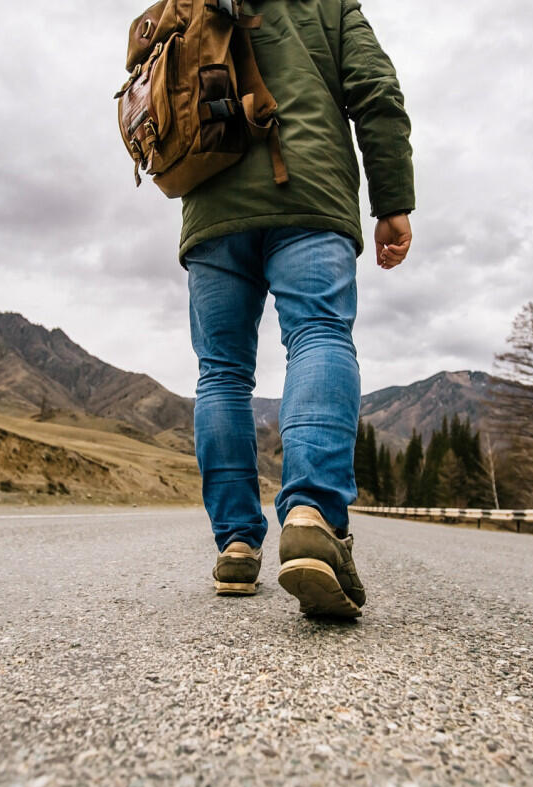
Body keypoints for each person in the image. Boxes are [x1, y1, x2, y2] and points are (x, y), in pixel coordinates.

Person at [184, 0, 414, 617]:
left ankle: (236, 543)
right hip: (309, 190)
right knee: (318, 333)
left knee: (221, 372)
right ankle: (313, 514)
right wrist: (392, 198)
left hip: (212, 203)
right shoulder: (330, 4)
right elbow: (375, 88)